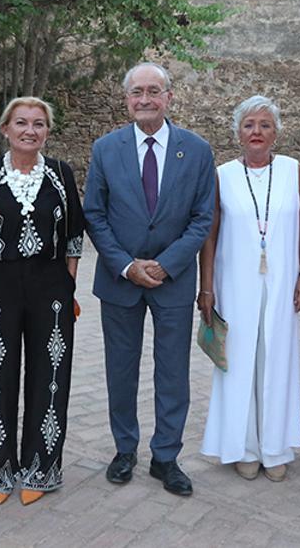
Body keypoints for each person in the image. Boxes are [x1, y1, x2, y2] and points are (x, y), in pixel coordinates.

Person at [84, 61, 215, 497]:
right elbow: (95, 214)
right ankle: (125, 451)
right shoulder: (106, 148)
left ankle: (166, 457)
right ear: (127, 99)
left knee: (173, 372)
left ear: (168, 97)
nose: (145, 99)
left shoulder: (196, 150)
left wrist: (168, 263)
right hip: (120, 279)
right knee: (121, 371)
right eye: (137, 92)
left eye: (153, 91)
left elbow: (202, 218)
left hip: (173, 280)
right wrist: (126, 264)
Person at [0, 97, 85, 506]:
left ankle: (42, 469)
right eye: (22, 123)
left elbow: (74, 237)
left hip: (51, 288)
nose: (30, 130)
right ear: (5, 128)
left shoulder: (62, 175)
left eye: (39, 124)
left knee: (50, 377)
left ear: (48, 131)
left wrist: (68, 287)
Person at [198, 96, 300, 482]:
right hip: (235, 282)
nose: (257, 132)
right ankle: (242, 446)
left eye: (265, 124)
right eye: (249, 125)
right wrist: (207, 287)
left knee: (277, 359)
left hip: (281, 281)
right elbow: (210, 234)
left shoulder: (293, 170)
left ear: (276, 132)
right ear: (237, 133)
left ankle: (275, 447)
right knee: (239, 362)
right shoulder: (223, 173)